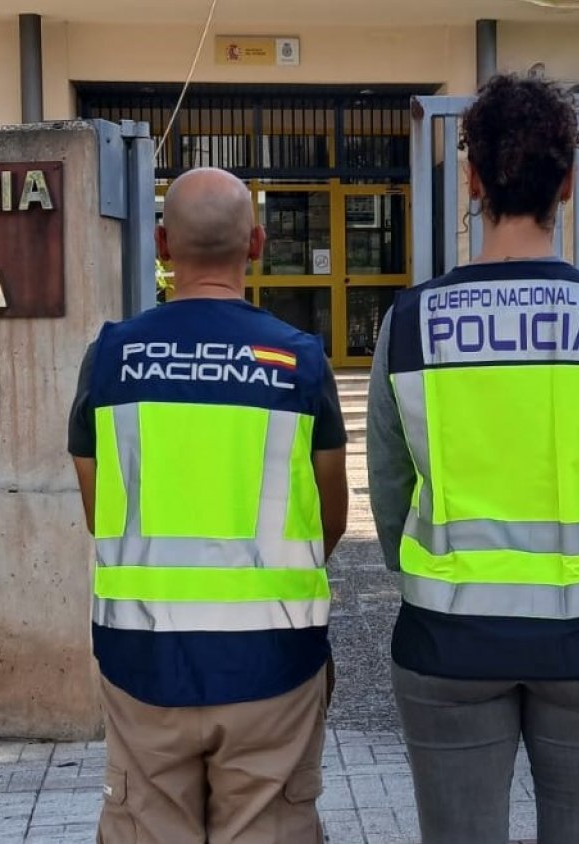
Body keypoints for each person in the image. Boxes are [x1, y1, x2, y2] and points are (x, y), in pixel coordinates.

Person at [367, 73, 579, 844]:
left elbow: (388, 483)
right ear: (567, 182)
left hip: (446, 638)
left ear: (471, 179)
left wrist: (423, 573)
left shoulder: (411, 321)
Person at [67, 167, 349, 844]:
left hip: (144, 661)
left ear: (163, 244)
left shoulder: (110, 359)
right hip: (275, 662)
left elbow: (101, 511)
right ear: (256, 244)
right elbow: (328, 517)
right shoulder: (299, 361)